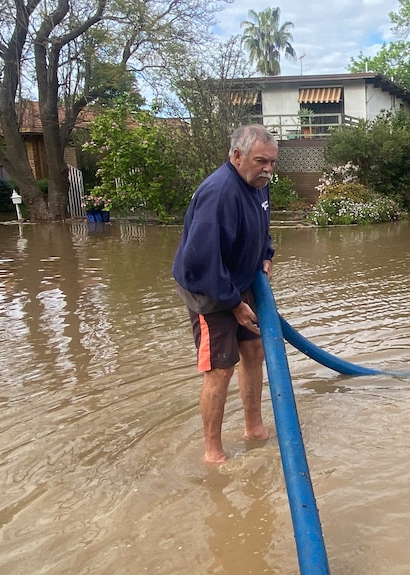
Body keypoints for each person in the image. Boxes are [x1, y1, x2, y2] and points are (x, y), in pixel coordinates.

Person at [172, 124, 277, 463]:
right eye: (261, 161)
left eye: (273, 162)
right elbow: (200, 260)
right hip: (209, 289)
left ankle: (254, 428)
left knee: (254, 350)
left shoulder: (258, 184)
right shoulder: (218, 193)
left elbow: (261, 227)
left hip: (240, 282)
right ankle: (213, 453)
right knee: (221, 368)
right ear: (236, 156)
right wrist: (233, 304)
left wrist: (266, 254)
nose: (268, 170)